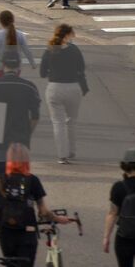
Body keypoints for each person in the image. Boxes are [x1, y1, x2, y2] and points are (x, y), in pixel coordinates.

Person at [0, 144, 69, 266]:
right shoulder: (32, 180)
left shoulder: (0, 180)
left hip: (5, 234)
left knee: (11, 263)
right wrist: (58, 219)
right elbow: (43, 211)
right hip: (27, 233)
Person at [39, 24, 87, 164]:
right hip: (73, 87)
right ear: (67, 35)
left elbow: (42, 73)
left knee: (58, 123)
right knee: (71, 121)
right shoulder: (74, 50)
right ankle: (71, 150)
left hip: (54, 88)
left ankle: (62, 155)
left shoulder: (50, 50)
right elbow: (81, 68)